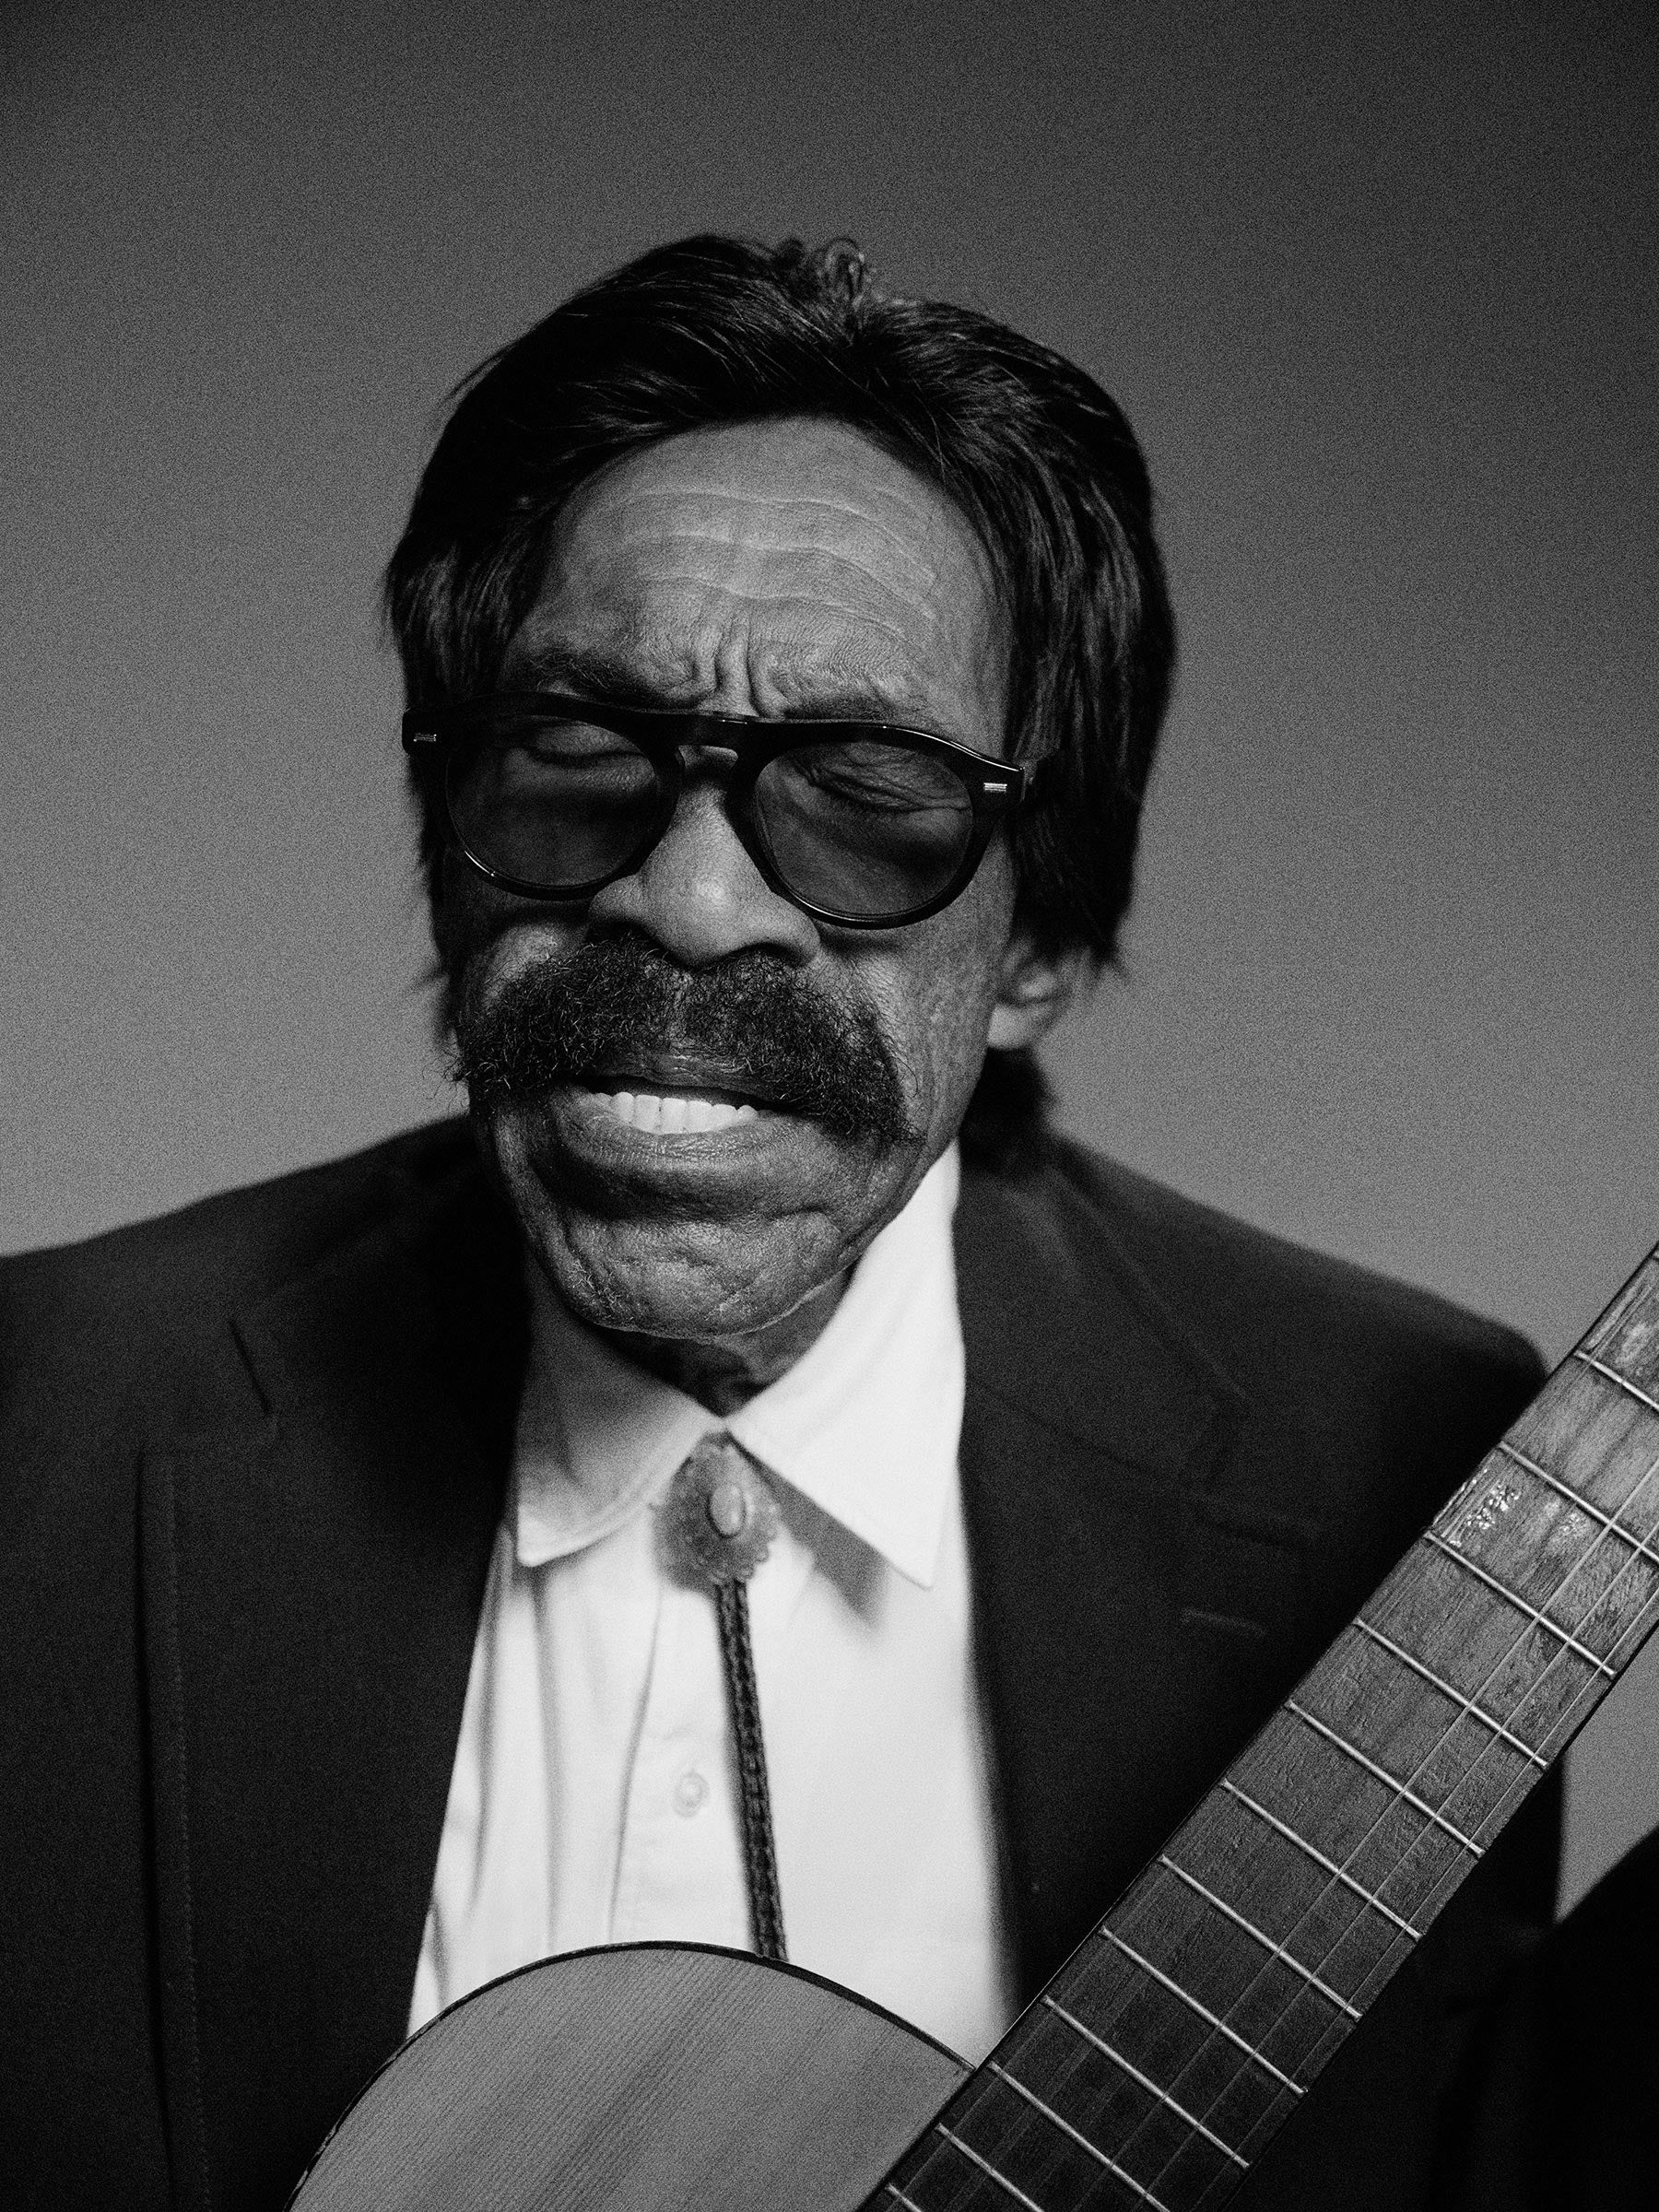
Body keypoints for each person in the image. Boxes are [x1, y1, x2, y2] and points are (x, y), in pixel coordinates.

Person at [0, 235, 1556, 2212]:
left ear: (1041, 941)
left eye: (864, 795)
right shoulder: (37, 1426)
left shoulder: (1423, 1487)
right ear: (448, 849)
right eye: (577, 758)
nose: (688, 900)